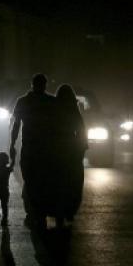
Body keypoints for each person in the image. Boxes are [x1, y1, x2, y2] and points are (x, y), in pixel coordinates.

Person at [9, 73, 57, 229]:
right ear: (45, 85)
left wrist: (12, 144)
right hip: (46, 149)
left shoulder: (23, 101)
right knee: (42, 181)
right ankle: (39, 212)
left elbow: (16, 125)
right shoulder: (51, 102)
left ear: (32, 84)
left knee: (30, 180)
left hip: (30, 148)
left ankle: (32, 212)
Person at [54, 84, 87, 224]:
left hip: (57, 150)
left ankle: (58, 211)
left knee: (57, 183)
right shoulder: (74, 111)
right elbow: (81, 131)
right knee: (74, 183)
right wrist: (81, 149)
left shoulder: (53, 110)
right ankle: (69, 210)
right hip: (72, 151)